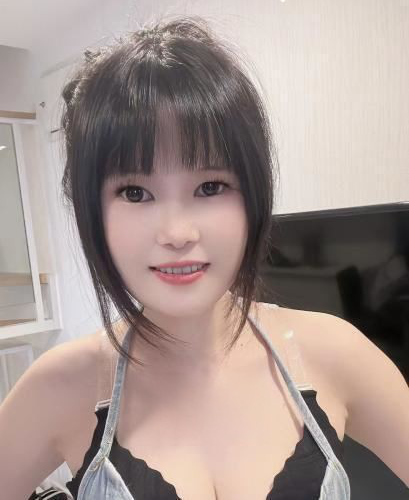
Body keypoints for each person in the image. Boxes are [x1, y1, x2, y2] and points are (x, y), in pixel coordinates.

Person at [1, 14, 408, 500]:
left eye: (210, 187)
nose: (177, 233)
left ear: (253, 193)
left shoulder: (334, 353)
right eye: (134, 192)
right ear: (93, 210)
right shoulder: (61, 386)